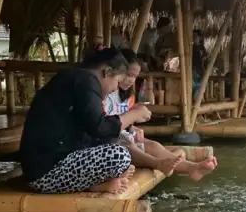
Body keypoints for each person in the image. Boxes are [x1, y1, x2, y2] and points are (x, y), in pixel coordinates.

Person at [19, 47, 152, 195]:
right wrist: (133, 115)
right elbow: (100, 127)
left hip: (46, 166)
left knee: (115, 143)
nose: (116, 88)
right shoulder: (85, 81)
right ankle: (93, 185)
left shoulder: (79, 78)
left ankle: (96, 182)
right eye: (117, 81)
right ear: (107, 72)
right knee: (119, 156)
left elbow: (97, 133)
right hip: (45, 173)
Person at [104, 49, 218, 180]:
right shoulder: (106, 93)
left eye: (135, 77)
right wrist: (132, 117)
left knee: (154, 146)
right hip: (110, 141)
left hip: (122, 136)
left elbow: (121, 120)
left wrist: (131, 126)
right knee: (130, 147)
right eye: (129, 75)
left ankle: (191, 167)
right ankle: (160, 164)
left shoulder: (127, 95)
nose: (131, 80)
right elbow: (105, 124)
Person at [192, 30, 209, 98]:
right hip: (194, 72)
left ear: (200, 37)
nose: (193, 37)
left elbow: (206, 62)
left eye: (195, 36)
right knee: (194, 89)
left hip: (201, 72)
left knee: (199, 90)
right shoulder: (191, 48)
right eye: (193, 36)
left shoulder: (203, 48)